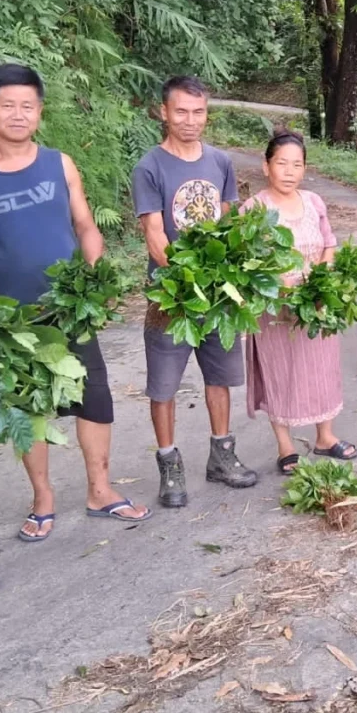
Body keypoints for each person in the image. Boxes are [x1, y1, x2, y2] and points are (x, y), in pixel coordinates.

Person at [0, 63, 151, 571]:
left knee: (95, 398)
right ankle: (43, 499)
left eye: (27, 106)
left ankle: (101, 491)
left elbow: (86, 227)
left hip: (67, 309)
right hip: (12, 325)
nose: (18, 114)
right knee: (29, 410)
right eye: (8, 104)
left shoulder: (60, 164)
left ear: (40, 112)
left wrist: (94, 275)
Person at [132, 76, 256, 507]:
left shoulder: (220, 162)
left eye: (198, 111)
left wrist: (225, 278)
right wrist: (190, 279)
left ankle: (222, 456)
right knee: (163, 386)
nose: (190, 120)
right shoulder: (149, 166)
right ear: (163, 112)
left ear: (207, 113)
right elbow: (154, 235)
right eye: (181, 111)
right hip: (173, 297)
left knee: (219, 377)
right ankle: (169, 466)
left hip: (217, 294)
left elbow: (225, 223)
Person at [240, 132, 356, 472]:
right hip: (275, 311)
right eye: (281, 163)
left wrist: (320, 277)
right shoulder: (254, 209)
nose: (289, 172)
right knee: (282, 373)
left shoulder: (315, 202)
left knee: (321, 370)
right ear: (266, 166)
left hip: (316, 305)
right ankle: (285, 446)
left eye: (297, 165)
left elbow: (330, 245)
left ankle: (326, 437)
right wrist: (280, 283)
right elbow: (247, 263)